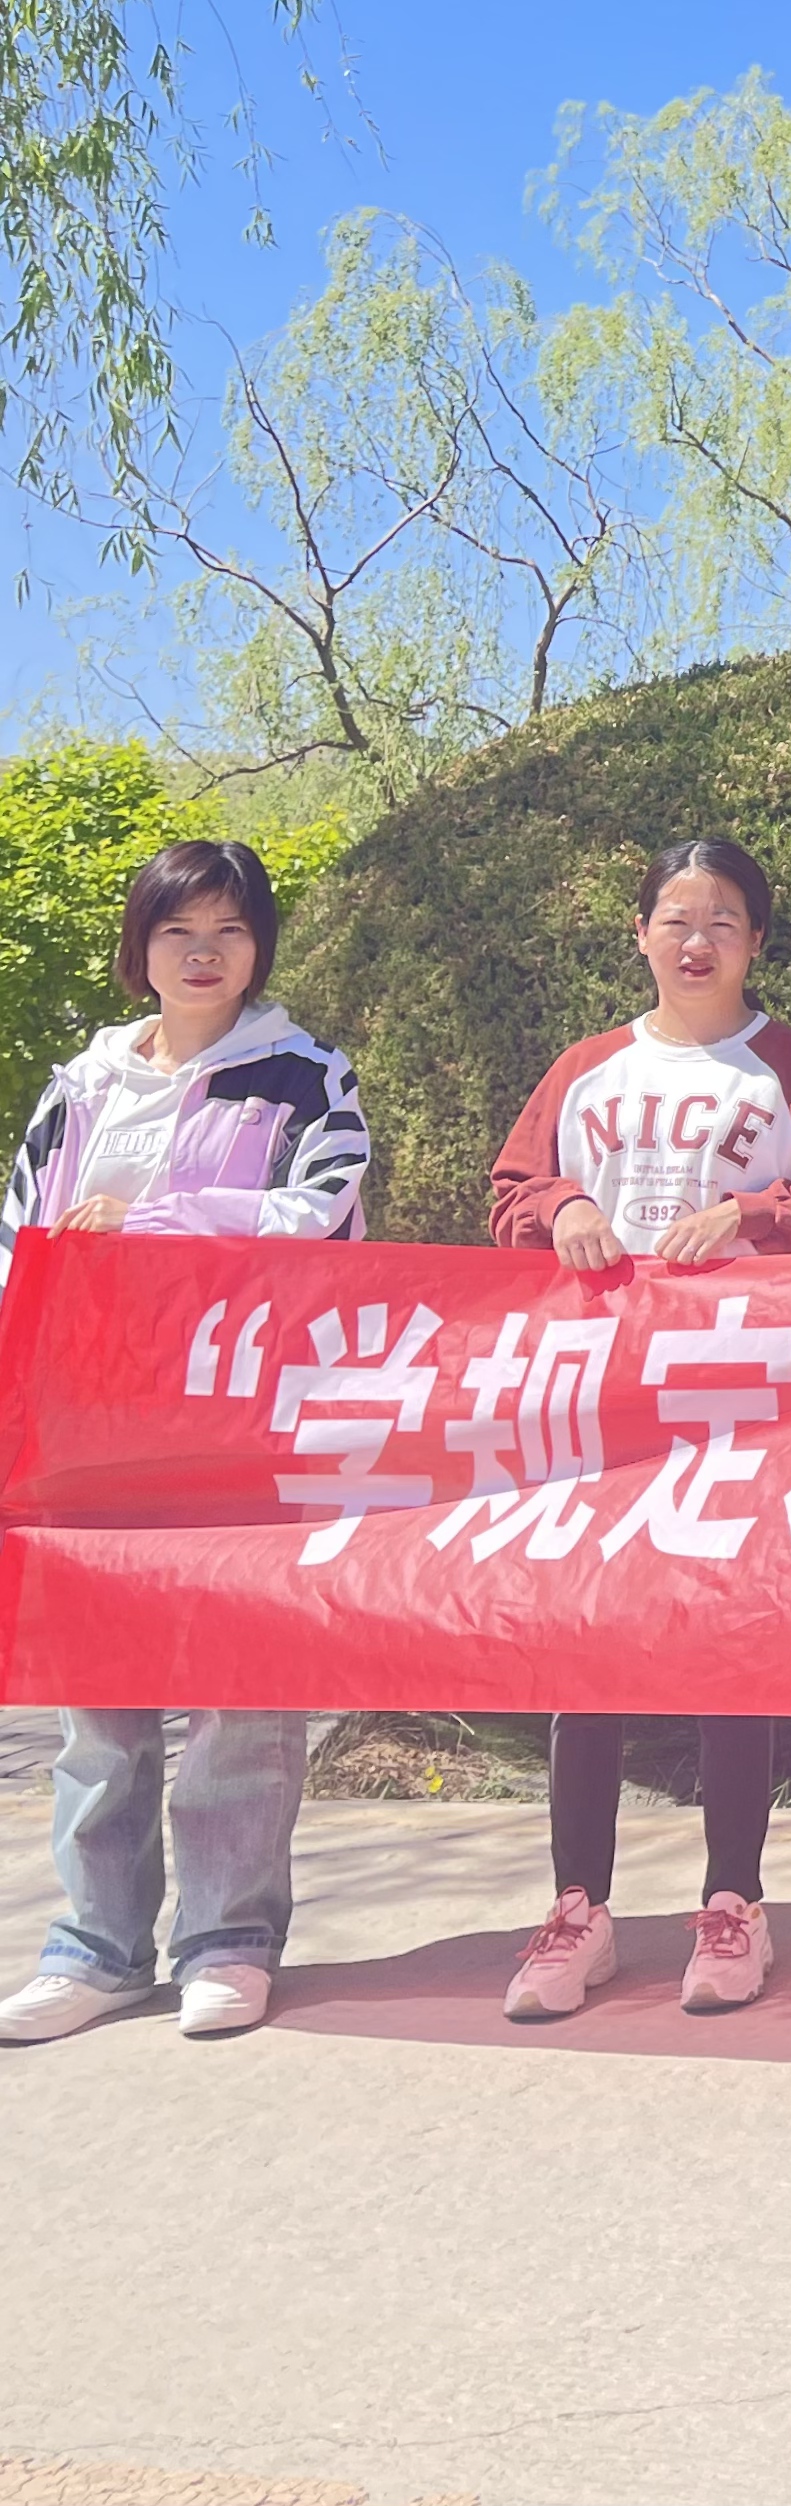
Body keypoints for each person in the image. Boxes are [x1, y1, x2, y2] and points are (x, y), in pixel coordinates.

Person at [486, 840, 791, 2025]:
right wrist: (565, 1206)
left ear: (756, 940)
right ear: (640, 932)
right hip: (600, 1388)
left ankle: (733, 1901)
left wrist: (752, 1216)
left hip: (738, 1386)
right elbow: (512, 1190)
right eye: (675, 917)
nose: (696, 940)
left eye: (722, 920)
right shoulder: (587, 1069)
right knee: (586, 1641)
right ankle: (578, 1909)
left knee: (727, 1638)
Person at [0, 842, 369, 2047]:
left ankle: (228, 1939)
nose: (204, 953)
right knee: (96, 1694)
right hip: (87, 1420)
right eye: (178, 930)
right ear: (140, 947)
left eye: (229, 929)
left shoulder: (304, 1077)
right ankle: (95, 1945)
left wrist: (155, 1223)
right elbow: (19, 1234)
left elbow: (323, 1213)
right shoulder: (81, 1084)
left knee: (238, 1683)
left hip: (236, 1417)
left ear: (259, 947)